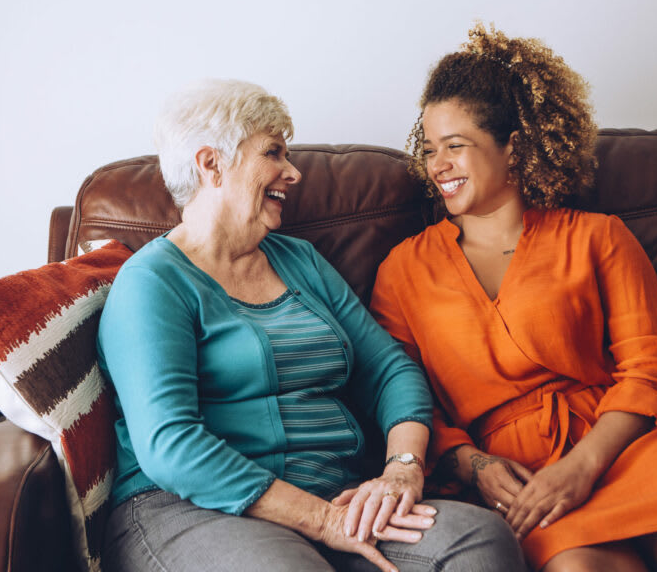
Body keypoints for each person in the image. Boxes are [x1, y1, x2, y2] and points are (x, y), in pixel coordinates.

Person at [369, 24, 657, 572]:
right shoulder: (403, 270)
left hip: (628, 446)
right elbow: (406, 398)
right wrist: (474, 464)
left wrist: (582, 466)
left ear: (514, 147)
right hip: (522, 476)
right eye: (430, 149)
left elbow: (654, 369)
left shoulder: (598, 236)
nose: (437, 165)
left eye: (456, 147)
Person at [97, 79, 526, 572]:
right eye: (273, 153)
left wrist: (401, 470)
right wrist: (320, 520)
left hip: (336, 497)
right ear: (211, 164)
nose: (292, 172)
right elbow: (169, 446)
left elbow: (389, 370)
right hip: (191, 509)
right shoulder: (153, 283)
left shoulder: (299, 260)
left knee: (478, 541)